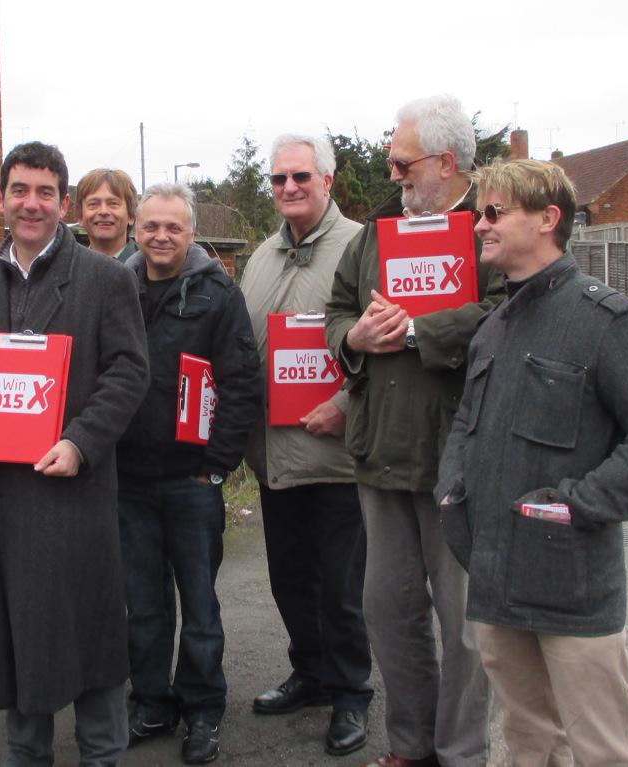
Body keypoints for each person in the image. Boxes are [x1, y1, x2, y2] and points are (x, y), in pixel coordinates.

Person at [0, 141, 149, 766]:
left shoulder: (106, 279)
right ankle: (25, 757)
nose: (32, 204)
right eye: (20, 190)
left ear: (65, 204)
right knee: (18, 649)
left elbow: (129, 373)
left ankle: (102, 758)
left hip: (74, 496)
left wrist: (81, 442)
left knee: (93, 653)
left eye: (46, 192)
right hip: (2, 501)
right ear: (1, 199)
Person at [436, 158, 628, 766]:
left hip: (571, 586)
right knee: (530, 743)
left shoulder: (607, 321)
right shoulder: (495, 327)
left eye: (494, 213)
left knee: (609, 748)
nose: (479, 226)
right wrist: (451, 491)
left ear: (547, 219)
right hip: (496, 582)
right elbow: (466, 424)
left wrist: (581, 505)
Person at [324, 95, 503, 767]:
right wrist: (356, 335)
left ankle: (460, 752)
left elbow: (505, 309)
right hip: (381, 449)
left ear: (447, 163)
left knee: (462, 625)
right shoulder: (375, 235)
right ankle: (409, 745)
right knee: (389, 610)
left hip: (458, 452)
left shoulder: (489, 228)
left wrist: (424, 330)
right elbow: (336, 311)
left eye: (403, 163)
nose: (394, 174)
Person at [117, 184, 261, 764]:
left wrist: (215, 468)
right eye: (151, 226)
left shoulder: (219, 295)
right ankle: (153, 701)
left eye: (173, 228)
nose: (160, 237)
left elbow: (241, 382)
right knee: (144, 605)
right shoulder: (117, 290)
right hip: (129, 480)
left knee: (200, 606)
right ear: (136, 230)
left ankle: (203, 708)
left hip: (191, 481)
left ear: (191, 234)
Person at [240, 134, 372, 756]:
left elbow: (389, 343)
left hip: (338, 456)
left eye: (301, 177)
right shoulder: (261, 257)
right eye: (278, 179)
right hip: (274, 456)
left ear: (328, 179)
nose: (289, 188)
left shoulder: (364, 246)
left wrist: (346, 407)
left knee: (342, 588)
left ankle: (351, 692)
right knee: (290, 577)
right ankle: (311, 672)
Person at [76, 168, 138, 261]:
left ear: (131, 215)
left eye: (113, 203)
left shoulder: (149, 267)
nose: (103, 211)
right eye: (93, 204)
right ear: (80, 216)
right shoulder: (65, 267)